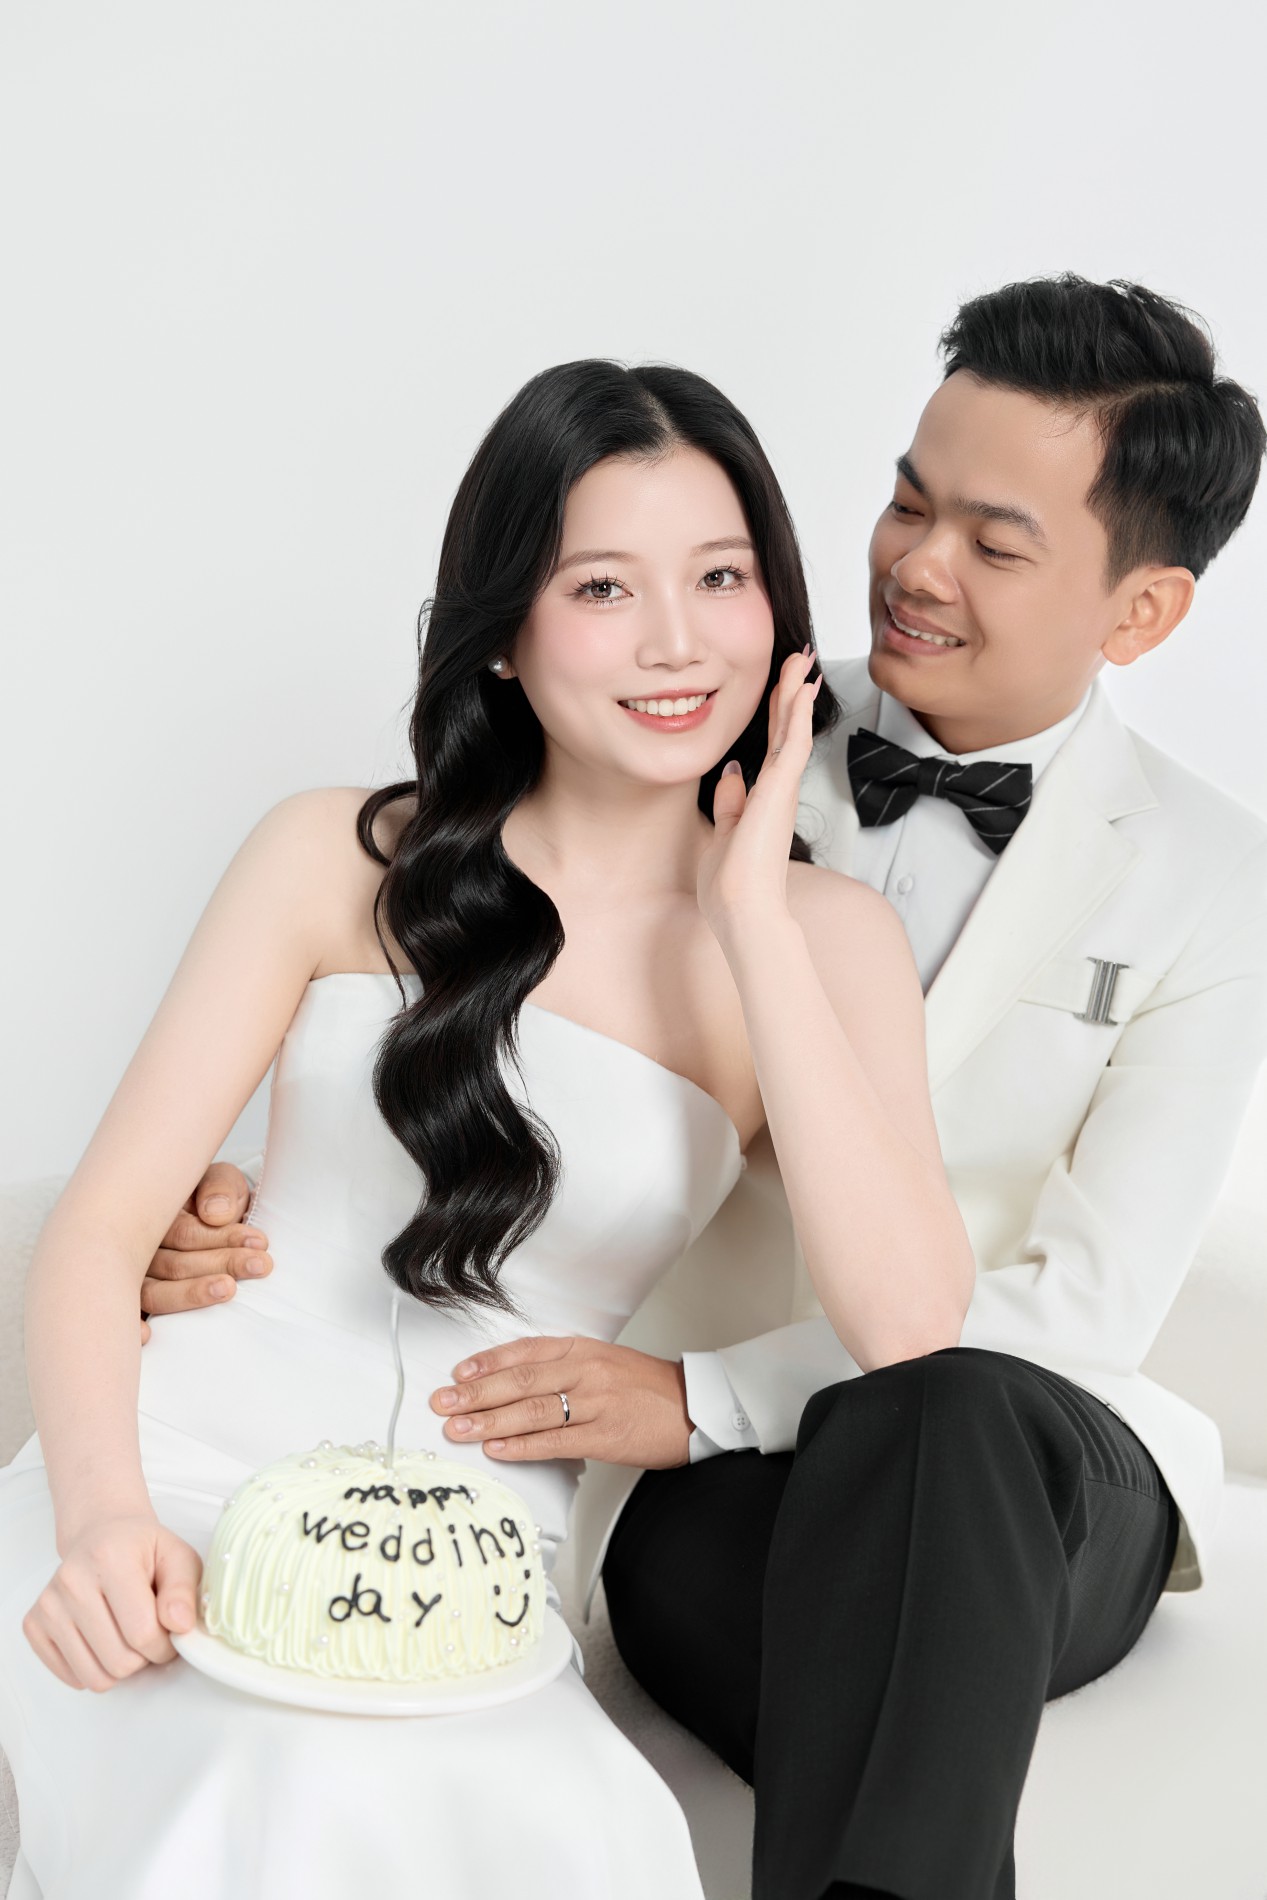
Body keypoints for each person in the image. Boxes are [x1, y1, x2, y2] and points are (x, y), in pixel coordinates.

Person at [152, 276, 1267, 1900]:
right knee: (828, 1611)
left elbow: (1084, 1304)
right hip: (711, 1502)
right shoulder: (690, 718)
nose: (917, 565)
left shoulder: (1214, 879)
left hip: (1032, 1473)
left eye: (995, 543)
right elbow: (484, 1036)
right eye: (907, 501)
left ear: (1141, 612)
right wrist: (236, 1215)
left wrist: (702, 1399)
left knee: (942, 1411)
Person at [0, 360, 977, 1900]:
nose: (676, 641)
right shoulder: (335, 854)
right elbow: (101, 1230)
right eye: (603, 587)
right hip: (181, 1480)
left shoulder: (828, 943)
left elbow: (911, 1324)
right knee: (274, 1786)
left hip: (471, 1570)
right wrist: (100, 1520)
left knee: (581, 1847)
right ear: (507, 633)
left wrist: (752, 917)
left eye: (721, 578)